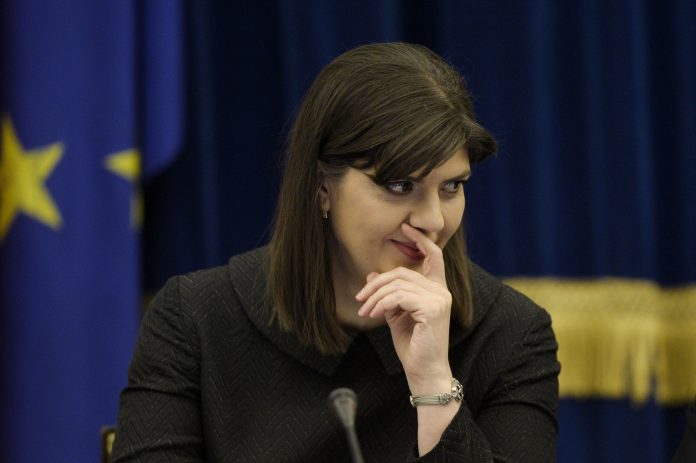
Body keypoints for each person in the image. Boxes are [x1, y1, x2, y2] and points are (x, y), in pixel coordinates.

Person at [111, 42, 560, 462]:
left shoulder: (511, 334)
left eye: (452, 187)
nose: (433, 220)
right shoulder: (196, 319)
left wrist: (434, 383)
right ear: (323, 187)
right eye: (400, 185)